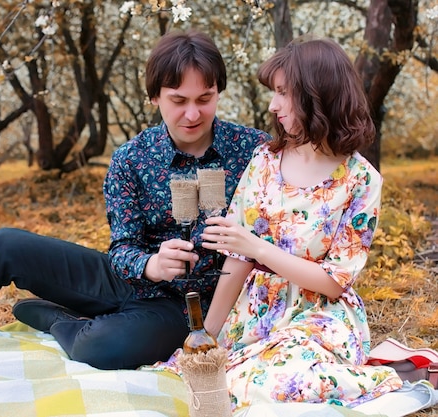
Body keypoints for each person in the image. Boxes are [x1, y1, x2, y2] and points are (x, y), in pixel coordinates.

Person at [0, 30, 270, 370]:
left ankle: (60, 320)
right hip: (129, 280)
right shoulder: (132, 158)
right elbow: (122, 249)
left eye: (204, 100)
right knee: (5, 244)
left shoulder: (254, 151)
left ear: (218, 93)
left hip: (195, 306)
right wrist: (150, 264)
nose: (192, 114)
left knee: (100, 346)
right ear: (154, 97)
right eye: (178, 101)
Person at [145, 37, 404, 409]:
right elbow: (237, 258)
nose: (272, 104)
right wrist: (208, 336)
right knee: (203, 378)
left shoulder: (361, 180)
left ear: (318, 94)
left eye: (283, 92)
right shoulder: (266, 160)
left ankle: (386, 375)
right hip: (256, 313)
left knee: (279, 383)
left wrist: (258, 248)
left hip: (320, 318)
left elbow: (333, 283)